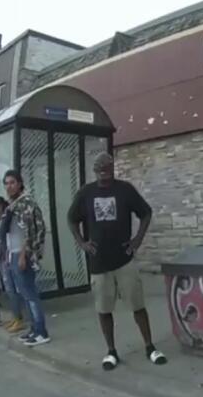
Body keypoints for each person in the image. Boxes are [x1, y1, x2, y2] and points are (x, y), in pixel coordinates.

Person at [67, 152, 166, 370]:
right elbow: (71, 218)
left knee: (138, 306)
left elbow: (146, 213)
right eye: (99, 165)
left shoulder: (125, 190)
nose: (103, 168)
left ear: (113, 167)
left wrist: (137, 240)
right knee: (104, 310)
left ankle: (150, 347)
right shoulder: (86, 193)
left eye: (107, 165)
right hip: (99, 264)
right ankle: (111, 352)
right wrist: (82, 243)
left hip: (124, 261)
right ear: (94, 169)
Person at [1, 169, 49, 347]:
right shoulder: (12, 204)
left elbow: (32, 231)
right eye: (6, 183)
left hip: (24, 255)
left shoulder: (26, 203)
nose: (9, 186)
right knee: (25, 294)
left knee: (30, 294)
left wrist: (24, 255)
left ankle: (42, 331)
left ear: (20, 183)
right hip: (13, 254)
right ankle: (34, 329)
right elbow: (10, 233)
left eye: (12, 182)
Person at [0, 196, 26, 334]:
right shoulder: (0, 220)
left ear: (1, 206)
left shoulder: (8, 219)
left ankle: (19, 319)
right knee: (9, 289)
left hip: (8, 257)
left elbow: (7, 240)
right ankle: (15, 317)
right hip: (2, 258)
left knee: (12, 289)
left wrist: (4, 258)